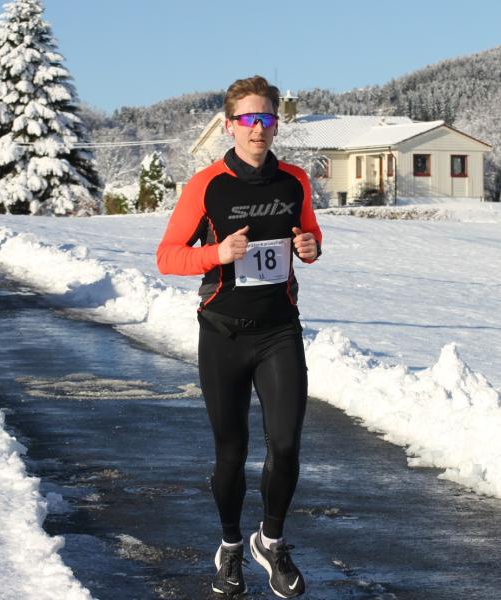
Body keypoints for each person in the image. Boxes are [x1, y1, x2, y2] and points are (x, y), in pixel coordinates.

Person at [156, 75, 322, 598]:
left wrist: (311, 246)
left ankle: (270, 541)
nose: (258, 129)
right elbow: (167, 257)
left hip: (279, 330)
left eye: (267, 119)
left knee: (288, 445)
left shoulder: (295, 180)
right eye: (249, 120)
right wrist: (216, 255)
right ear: (230, 126)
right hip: (223, 332)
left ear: (277, 123)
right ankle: (230, 546)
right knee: (231, 451)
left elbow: (310, 237)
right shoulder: (206, 185)